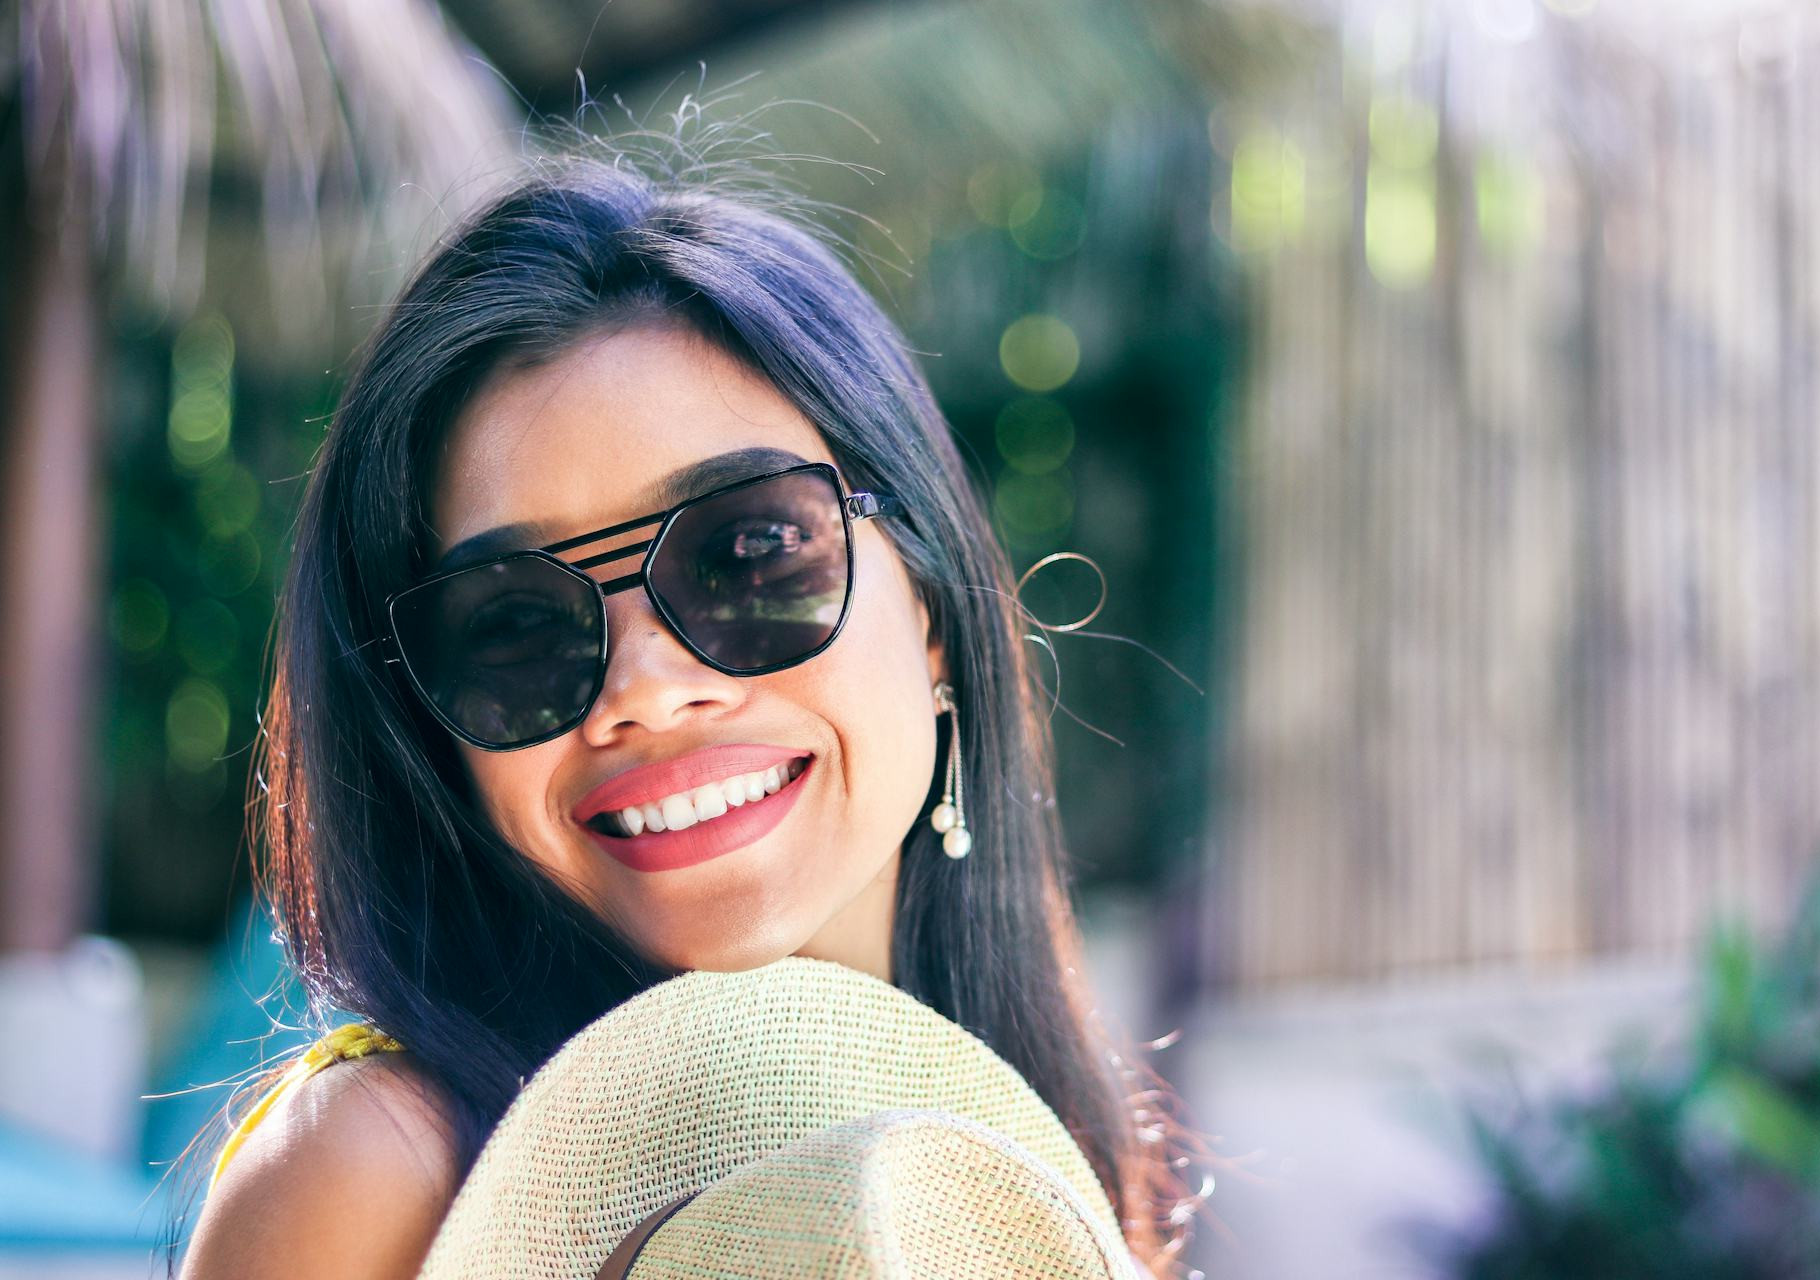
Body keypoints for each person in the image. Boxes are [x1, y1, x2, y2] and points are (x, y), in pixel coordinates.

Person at [168, 140, 1204, 1279]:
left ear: (931, 608)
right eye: (513, 623)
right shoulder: (377, 1176)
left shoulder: (1041, 1194)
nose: (647, 688)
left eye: (751, 550)